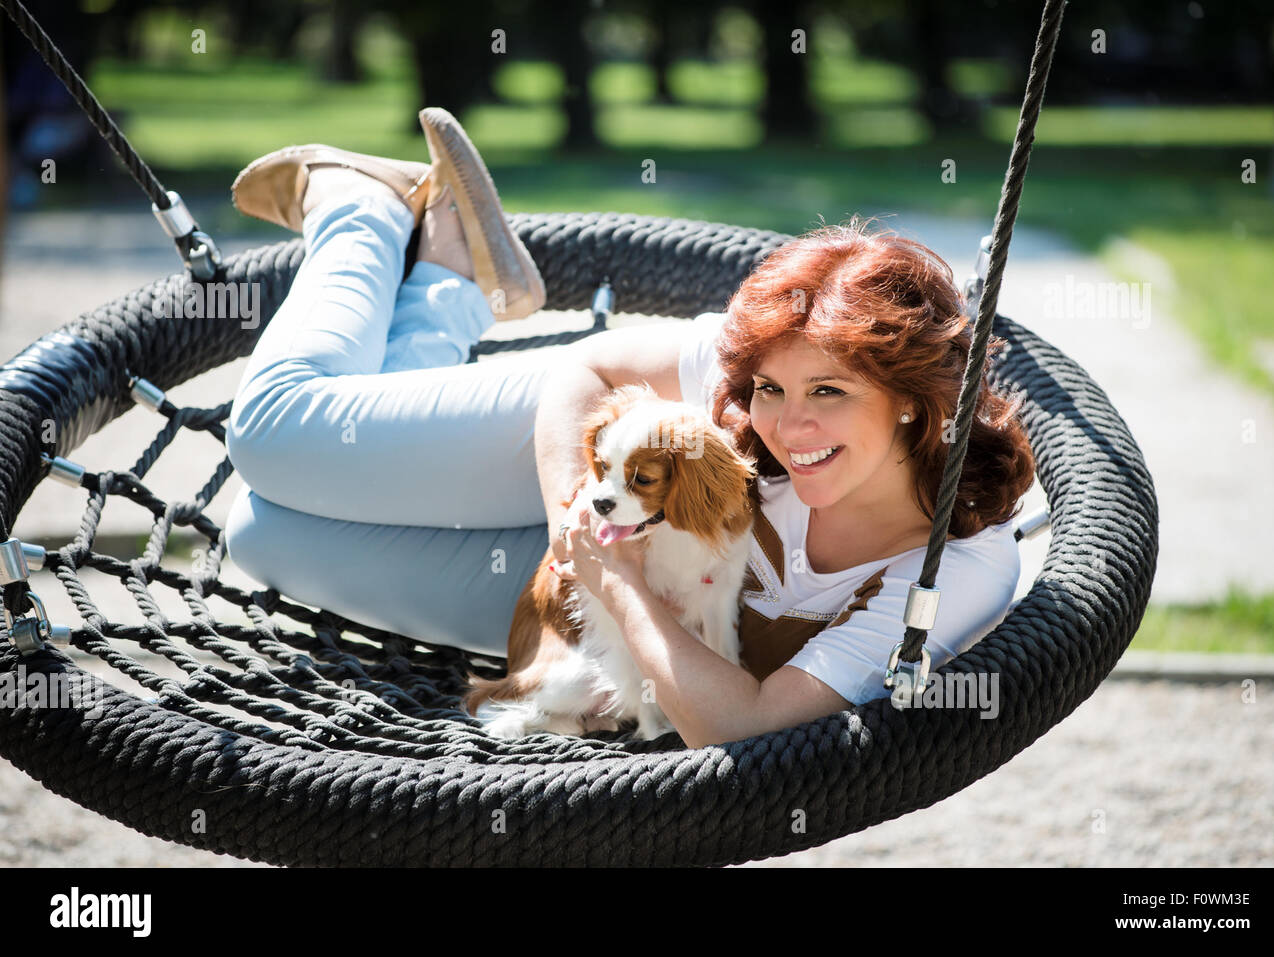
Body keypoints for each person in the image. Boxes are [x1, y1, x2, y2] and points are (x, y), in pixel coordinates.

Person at [223, 108, 1036, 749]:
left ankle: (446, 273)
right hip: (576, 465)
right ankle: (357, 206)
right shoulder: (765, 362)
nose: (789, 424)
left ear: (911, 398)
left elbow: (743, 724)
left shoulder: (954, 568)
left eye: (829, 392)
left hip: (618, 610)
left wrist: (613, 582)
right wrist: (576, 530)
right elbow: (591, 369)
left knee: (258, 532)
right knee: (270, 433)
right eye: (770, 389)